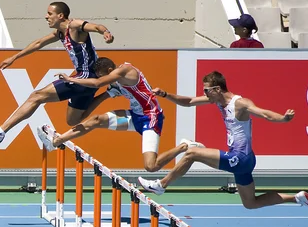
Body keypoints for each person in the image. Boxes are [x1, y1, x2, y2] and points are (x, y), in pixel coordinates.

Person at [137, 71, 308, 213]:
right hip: (245, 160)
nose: (204, 94)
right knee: (250, 203)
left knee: (192, 153)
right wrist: (165, 94)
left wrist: (283, 119)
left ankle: (161, 185)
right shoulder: (217, 100)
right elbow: (190, 101)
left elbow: (264, 113)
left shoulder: (239, 103)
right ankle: (297, 198)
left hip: (239, 158)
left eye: (207, 90)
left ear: (217, 89)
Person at [0, 1, 114, 143]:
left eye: (49, 13)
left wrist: (105, 32)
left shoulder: (74, 26)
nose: (46, 17)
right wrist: (14, 57)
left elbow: (96, 26)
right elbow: (38, 43)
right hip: (87, 82)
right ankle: (109, 93)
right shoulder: (60, 33)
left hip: (84, 76)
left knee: (36, 96)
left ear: (60, 15)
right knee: (73, 120)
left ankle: (0, 131)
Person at [38, 57, 204, 171]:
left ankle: (185, 146)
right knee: (96, 120)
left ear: (110, 70)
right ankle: (57, 141)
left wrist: (71, 79)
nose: (106, 80)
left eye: (106, 77)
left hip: (151, 117)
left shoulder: (125, 71)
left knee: (151, 166)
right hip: (134, 116)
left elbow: (97, 83)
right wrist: (104, 96)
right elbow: (101, 91)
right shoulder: (117, 79)